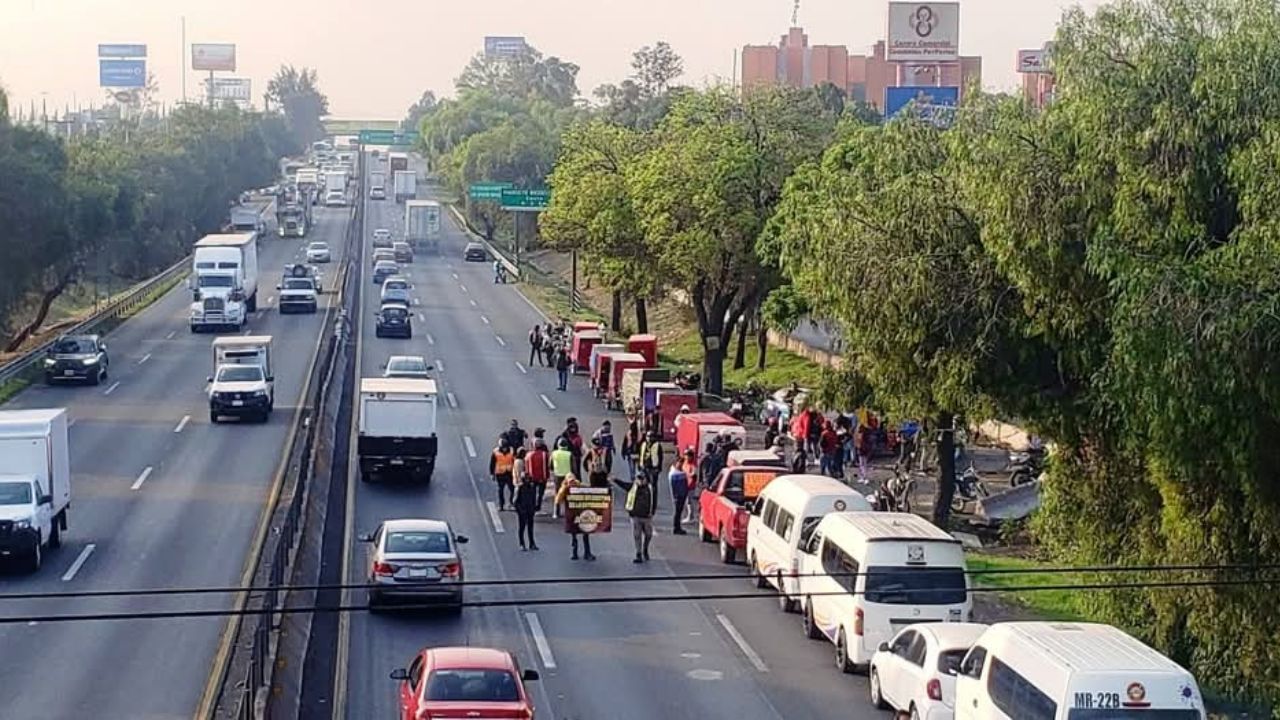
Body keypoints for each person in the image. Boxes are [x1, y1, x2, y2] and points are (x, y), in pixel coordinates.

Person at [554, 473, 596, 561]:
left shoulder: (580, 486)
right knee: (573, 535)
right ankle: (574, 552)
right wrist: (564, 488)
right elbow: (557, 501)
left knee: (585, 534)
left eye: (573, 481)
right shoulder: (565, 489)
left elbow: (591, 492)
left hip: (581, 514)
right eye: (570, 482)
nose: (571, 483)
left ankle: (587, 553)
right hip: (571, 515)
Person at [626, 471, 657, 562]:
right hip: (635, 516)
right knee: (637, 535)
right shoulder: (633, 487)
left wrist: (652, 512)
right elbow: (624, 485)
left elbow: (654, 501)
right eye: (638, 478)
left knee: (648, 534)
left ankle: (645, 548)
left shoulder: (651, 489)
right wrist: (614, 480)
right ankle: (638, 553)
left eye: (641, 479)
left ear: (646, 480)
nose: (639, 481)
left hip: (646, 517)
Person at [513, 455, 539, 550]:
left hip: (530, 511)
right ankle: (522, 544)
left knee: (530, 528)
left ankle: (532, 543)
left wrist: (534, 508)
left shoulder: (532, 488)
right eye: (526, 479)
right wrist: (520, 510)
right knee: (522, 527)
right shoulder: (520, 488)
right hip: (523, 511)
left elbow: (534, 499)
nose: (528, 481)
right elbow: (515, 502)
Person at [669, 450, 695, 534]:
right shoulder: (675, 474)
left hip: (680, 496)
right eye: (680, 463)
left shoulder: (677, 473)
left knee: (678, 513)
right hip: (678, 497)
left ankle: (677, 527)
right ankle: (676, 528)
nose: (681, 465)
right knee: (677, 513)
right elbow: (677, 487)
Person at [526, 434, 551, 514]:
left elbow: (526, 466)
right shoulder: (545, 454)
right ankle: (538, 507)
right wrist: (547, 476)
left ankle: (532, 506)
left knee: (532, 493)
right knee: (540, 493)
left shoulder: (529, 455)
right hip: (542, 478)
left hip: (532, 478)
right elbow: (548, 466)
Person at [640, 431, 664, 509]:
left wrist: (658, 469)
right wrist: (640, 465)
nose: (649, 438)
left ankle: (653, 504)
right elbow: (641, 455)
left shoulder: (657, 445)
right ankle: (646, 502)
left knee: (653, 487)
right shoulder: (644, 444)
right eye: (647, 436)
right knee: (644, 486)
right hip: (644, 468)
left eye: (651, 436)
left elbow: (660, 457)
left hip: (653, 469)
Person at [550, 439, 573, 519]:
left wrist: (555, 470)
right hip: (567, 476)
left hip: (557, 475)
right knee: (568, 494)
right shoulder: (569, 454)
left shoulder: (554, 454)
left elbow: (550, 465)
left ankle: (556, 512)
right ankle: (568, 512)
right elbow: (574, 466)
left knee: (557, 493)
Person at [489, 440, 516, 511]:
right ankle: (501, 505)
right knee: (500, 490)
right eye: (503, 447)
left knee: (512, 489)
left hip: (509, 473)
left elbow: (514, 461)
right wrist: (492, 474)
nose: (505, 449)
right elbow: (492, 464)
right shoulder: (496, 452)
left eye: (506, 447)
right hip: (500, 474)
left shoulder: (512, 451)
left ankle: (511, 503)